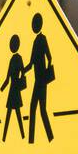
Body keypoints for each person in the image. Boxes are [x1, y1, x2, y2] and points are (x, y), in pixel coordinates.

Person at [24, 13, 54, 144]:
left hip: (41, 81)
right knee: (40, 109)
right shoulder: (36, 41)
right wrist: (22, 71)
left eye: (34, 24)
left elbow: (50, 56)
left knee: (36, 109)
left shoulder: (41, 39)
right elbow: (31, 63)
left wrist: (46, 73)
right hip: (39, 80)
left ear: (39, 25)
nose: (33, 27)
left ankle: (38, 139)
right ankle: (47, 137)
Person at [0, 34, 27, 141]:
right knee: (12, 113)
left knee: (15, 114)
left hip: (14, 89)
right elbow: (8, 77)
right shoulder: (14, 59)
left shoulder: (16, 59)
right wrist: (1, 88)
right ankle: (6, 137)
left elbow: (22, 72)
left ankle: (21, 135)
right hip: (13, 89)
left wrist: (3, 87)